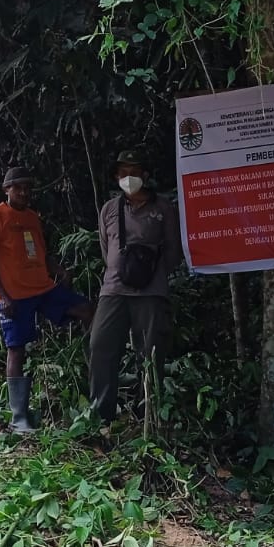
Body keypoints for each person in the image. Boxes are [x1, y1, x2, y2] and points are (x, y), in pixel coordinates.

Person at [0, 166, 92, 432]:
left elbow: (41, 253)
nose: (23, 192)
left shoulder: (32, 217)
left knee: (88, 311)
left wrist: (60, 272)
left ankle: (95, 378)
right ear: (6, 190)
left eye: (27, 188)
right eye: (18, 187)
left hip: (42, 288)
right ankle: (19, 417)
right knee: (16, 349)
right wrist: (3, 296)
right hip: (13, 295)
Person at [87, 149, 181, 422]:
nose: (129, 178)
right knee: (100, 345)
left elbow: (173, 250)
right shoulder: (109, 209)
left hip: (151, 291)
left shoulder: (163, 208)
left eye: (135, 172)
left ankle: (148, 414)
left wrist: (152, 273)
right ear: (116, 177)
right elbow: (106, 250)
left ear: (145, 175)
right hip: (114, 289)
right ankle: (101, 415)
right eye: (124, 173)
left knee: (150, 352)